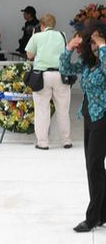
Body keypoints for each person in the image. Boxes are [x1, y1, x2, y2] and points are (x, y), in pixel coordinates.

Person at [60, 20, 106, 232]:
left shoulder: (104, 60)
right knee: (93, 167)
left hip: (103, 119)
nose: (94, 41)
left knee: (94, 167)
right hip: (90, 117)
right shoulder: (89, 63)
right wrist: (68, 48)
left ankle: (93, 217)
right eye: (92, 38)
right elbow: (65, 68)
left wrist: (103, 46)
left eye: (98, 37)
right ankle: (102, 213)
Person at [25, 13, 72, 150]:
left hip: (42, 76)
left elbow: (29, 55)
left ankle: (43, 142)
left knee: (42, 110)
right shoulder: (62, 35)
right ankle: (66, 140)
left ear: (41, 25)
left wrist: (35, 35)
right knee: (63, 110)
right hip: (60, 75)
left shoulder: (37, 36)